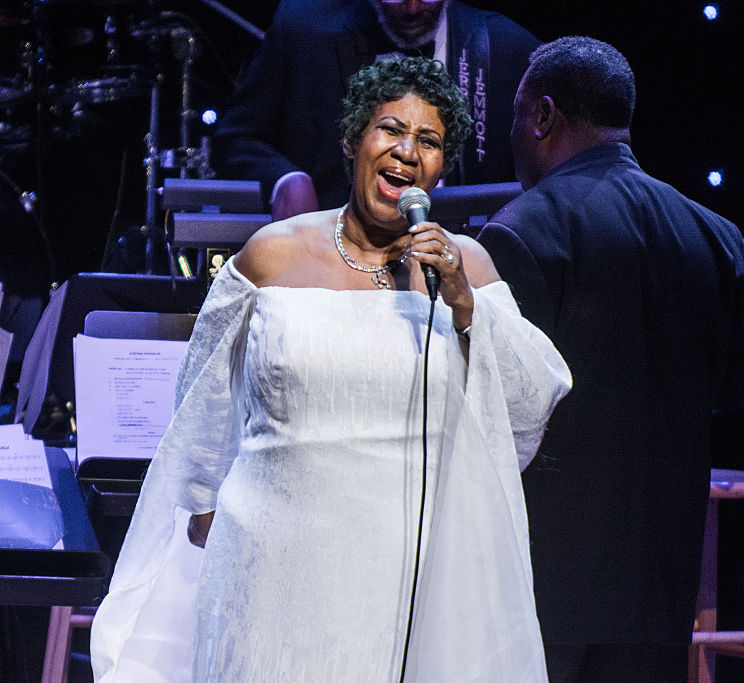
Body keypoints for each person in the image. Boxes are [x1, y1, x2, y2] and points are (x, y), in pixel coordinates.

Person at [90, 55, 570, 682]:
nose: (406, 151)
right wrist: (203, 507)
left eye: (428, 141)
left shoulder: (466, 266)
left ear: (442, 168)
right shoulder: (272, 255)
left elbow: (529, 402)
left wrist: (463, 305)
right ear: (352, 140)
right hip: (269, 568)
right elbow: (202, 399)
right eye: (390, 129)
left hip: (407, 570)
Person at [476, 36, 744, 681]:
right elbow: (733, 391)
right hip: (664, 585)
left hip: (542, 588)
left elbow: (493, 413)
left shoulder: (519, 231)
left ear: (541, 117)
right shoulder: (717, 235)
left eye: (516, 116)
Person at [209, 0, 539, 222]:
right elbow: (234, 138)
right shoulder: (301, 30)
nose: (412, 8)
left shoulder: (508, 48)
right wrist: (284, 180)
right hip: (331, 256)